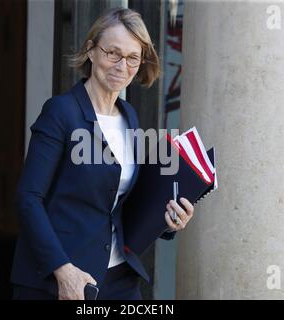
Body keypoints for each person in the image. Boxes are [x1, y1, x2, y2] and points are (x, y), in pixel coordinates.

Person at [11, 7, 195, 300]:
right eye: (113, 53)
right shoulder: (61, 112)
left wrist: (167, 220)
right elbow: (28, 198)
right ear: (91, 51)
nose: (122, 66)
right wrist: (63, 270)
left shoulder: (130, 116)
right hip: (61, 281)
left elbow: (119, 203)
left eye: (132, 57)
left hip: (119, 279)